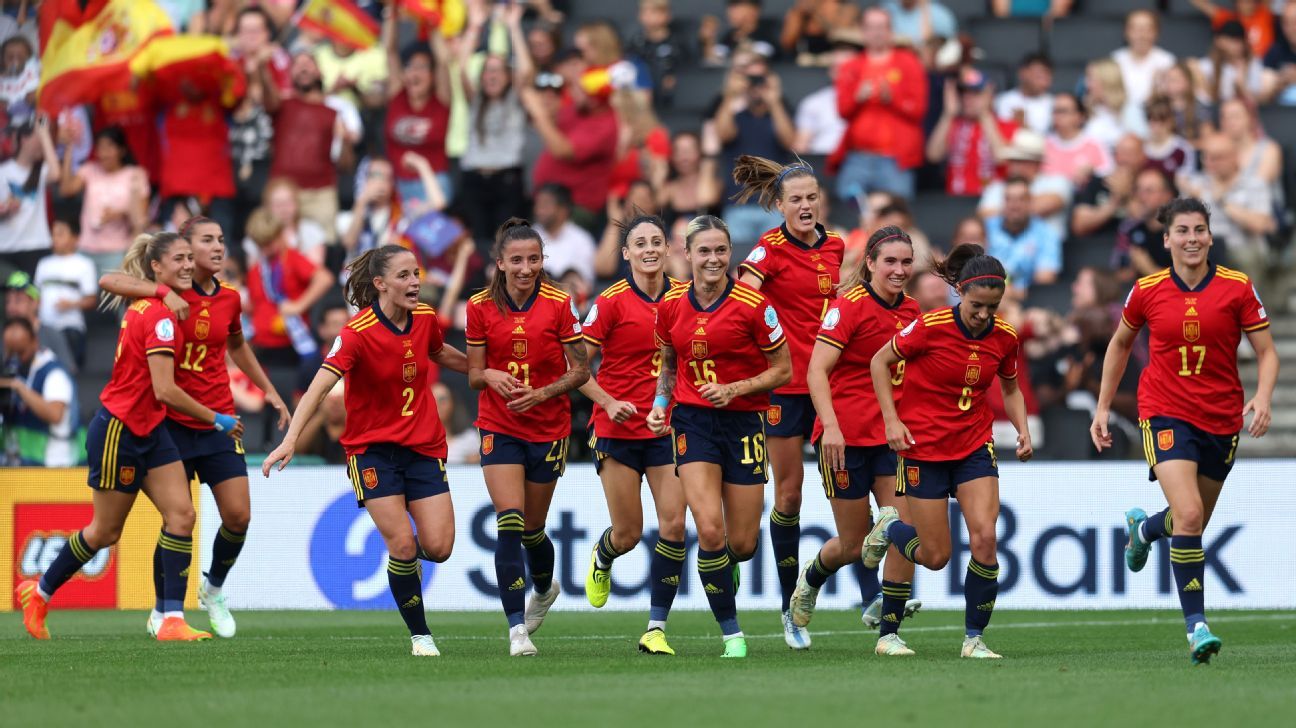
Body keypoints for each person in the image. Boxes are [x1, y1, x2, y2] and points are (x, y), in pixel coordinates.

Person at [15, 232, 243, 643]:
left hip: (151, 428)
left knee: (182, 515)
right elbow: (166, 391)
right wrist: (218, 420)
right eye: (180, 259)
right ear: (157, 267)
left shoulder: (157, 305)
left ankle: (170, 618)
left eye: (191, 258)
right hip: (120, 430)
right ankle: (40, 591)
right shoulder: (156, 313)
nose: (189, 265)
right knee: (105, 532)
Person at [1091, 197, 1277, 665]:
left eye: (1199, 230)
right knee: (1190, 514)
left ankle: (1144, 529)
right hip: (1166, 412)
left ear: (1210, 237)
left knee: (1188, 521)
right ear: (1167, 239)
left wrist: (1264, 395)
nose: (1192, 238)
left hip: (1222, 417)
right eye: (1183, 231)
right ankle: (1197, 627)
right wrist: (1103, 407)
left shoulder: (1236, 288)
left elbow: (1268, 352)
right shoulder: (1147, 289)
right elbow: (1118, 346)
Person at [263, 245, 468, 657]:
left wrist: (484, 369)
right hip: (373, 453)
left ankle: (405, 569)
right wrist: (289, 438)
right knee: (404, 546)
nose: (415, 282)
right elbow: (320, 386)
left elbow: (439, 352)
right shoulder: (357, 333)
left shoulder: (425, 317)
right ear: (380, 284)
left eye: (416, 273)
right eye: (405, 276)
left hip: (424, 447)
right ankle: (420, 634)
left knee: (440, 548)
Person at [98, 216, 289, 640]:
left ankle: (213, 589)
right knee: (177, 518)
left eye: (221, 239)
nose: (218, 247)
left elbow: (237, 345)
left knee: (238, 515)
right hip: (171, 423)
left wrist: (269, 391)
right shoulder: (165, 297)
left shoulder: (230, 299)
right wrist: (163, 289)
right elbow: (109, 279)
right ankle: (163, 611)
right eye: (207, 241)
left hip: (218, 421)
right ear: (184, 250)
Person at [862, 243, 1034, 660]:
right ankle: (889, 530)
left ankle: (973, 638)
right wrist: (891, 420)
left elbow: (1009, 387)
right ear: (960, 294)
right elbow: (878, 363)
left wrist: (1022, 429)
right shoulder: (930, 327)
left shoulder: (1004, 336)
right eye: (977, 305)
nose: (983, 314)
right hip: (924, 450)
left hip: (974, 445)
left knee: (986, 539)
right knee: (936, 556)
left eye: (992, 306)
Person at [646, 215, 792, 658]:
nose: (713, 259)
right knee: (708, 528)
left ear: (731, 254)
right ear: (687, 255)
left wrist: (735, 388)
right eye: (704, 251)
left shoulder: (754, 305)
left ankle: (726, 568)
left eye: (721, 250)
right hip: (693, 422)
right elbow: (668, 364)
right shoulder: (671, 306)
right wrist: (659, 404)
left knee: (741, 545)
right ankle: (732, 634)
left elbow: (783, 369)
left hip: (744, 423)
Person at [790, 226, 923, 656]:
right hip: (843, 439)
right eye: (890, 261)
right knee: (852, 545)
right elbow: (816, 370)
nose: (899, 270)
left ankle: (889, 633)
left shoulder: (915, 312)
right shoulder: (848, 306)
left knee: (904, 529)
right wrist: (829, 425)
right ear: (870, 263)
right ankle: (809, 580)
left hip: (892, 438)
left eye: (906, 262)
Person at [728, 155, 841, 648]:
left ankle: (874, 596)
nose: (805, 206)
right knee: (790, 495)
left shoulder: (836, 247)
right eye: (795, 199)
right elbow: (743, 300)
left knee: (845, 489)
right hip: (784, 388)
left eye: (811, 197)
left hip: (832, 387)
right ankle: (788, 606)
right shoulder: (766, 252)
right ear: (779, 205)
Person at [465, 219, 590, 657]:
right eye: (516, 260)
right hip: (499, 426)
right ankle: (516, 629)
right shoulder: (479, 306)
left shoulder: (559, 303)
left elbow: (581, 370)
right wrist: (492, 375)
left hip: (548, 427)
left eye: (533, 259)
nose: (524, 268)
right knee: (511, 522)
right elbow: (475, 375)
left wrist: (542, 393)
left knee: (534, 529)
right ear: (500, 263)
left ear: (543, 261)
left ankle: (543, 588)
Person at [578, 213, 687, 655]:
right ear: (626, 253)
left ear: (667, 249)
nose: (648, 249)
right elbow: (575, 368)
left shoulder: (687, 297)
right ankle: (604, 556)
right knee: (627, 534)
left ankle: (655, 627)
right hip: (617, 429)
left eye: (656, 241)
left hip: (668, 428)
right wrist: (607, 402)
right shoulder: (610, 302)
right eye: (639, 243)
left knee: (675, 525)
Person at [458, 2, 533, 248]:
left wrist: (513, 27)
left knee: (507, 244)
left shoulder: (515, 98)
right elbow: (462, 68)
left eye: (498, 71)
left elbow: (527, 70)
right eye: (487, 71)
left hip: (507, 181)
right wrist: (475, 26)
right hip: (474, 181)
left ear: (508, 75)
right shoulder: (476, 100)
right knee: (478, 244)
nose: (492, 75)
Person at [834, 7, 928, 201]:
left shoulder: (909, 63)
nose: (876, 32)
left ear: (890, 31)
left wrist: (892, 98)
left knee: (896, 216)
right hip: (858, 156)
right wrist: (857, 98)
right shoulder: (850, 66)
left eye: (881, 27)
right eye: (870, 27)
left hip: (895, 158)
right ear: (862, 31)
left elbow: (919, 110)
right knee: (848, 206)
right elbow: (842, 111)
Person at [709, 47, 796, 244]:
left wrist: (774, 100)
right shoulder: (736, 118)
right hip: (739, 207)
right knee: (738, 266)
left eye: (761, 78)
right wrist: (730, 94)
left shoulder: (779, 115)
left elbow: (790, 141)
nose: (756, 85)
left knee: (777, 266)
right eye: (752, 79)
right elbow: (722, 134)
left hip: (774, 207)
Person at [381, 8, 453, 204]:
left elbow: (443, 62)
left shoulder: (440, 101)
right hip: (396, 186)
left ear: (432, 77)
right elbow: (390, 51)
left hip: (433, 184)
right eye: (410, 67)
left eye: (422, 67)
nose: (415, 73)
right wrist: (392, 14)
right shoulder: (398, 95)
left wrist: (433, 25)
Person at [57, 126, 149, 276]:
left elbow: (142, 219)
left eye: (109, 147)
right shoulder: (89, 170)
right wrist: (69, 149)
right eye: (99, 148)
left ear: (122, 150)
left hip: (117, 251)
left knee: (112, 298)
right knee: (84, 298)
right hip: (85, 248)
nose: (103, 153)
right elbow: (66, 190)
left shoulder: (135, 174)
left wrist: (121, 214)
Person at [926, 68, 1014, 197]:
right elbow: (933, 155)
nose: (968, 98)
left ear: (990, 95)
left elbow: (1002, 158)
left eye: (976, 93)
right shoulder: (953, 124)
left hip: (990, 202)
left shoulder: (1007, 125)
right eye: (963, 93)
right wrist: (948, 114)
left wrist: (985, 114)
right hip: (955, 199)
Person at [0, 317, 76, 466]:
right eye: (10, 351)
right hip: (21, 461)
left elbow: (55, 414)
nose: (15, 357)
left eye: (20, 351)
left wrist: (19, 387)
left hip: (53, 463)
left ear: (35, 342)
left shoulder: (54, 373)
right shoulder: (14, 371)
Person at [33, 218, 97, 370]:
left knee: (67, 368)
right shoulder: (43, 263)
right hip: (43, 327)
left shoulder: (84, 264)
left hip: (71, 327)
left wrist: (71, 304)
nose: (54, 238)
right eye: (53, 234)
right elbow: (35, 296)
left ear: (75, 238)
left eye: (60, 234)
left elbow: (91, 300)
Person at [985, 177, 1062, 297]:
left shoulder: (1047, 233)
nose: (1014, 205)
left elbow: (1045, 278)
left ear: (1031, 202)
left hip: (1029, 301)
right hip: (986, 297)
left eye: (1021, 199)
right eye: (1009, 199)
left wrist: (1010, 293)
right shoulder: (985, 228)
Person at [0, 120, 58, 278]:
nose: (41, 143)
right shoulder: (3, 172)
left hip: (36, 246)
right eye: (38, 138)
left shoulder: (41, 171)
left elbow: (56, 174)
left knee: (34, 297)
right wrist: (5, 209)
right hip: (6, 248)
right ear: (24, 139)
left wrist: (44, 134)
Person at [533, 183, 597, 290]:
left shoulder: (582, 239)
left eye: (545, 205)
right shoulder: (528, 236)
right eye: (538, 204)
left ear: (564, 209)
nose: (539, 210)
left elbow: (585, 284)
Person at [1042, 93, 1113, 189]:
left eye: (1063, 111)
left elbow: (1109, 175)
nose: (1057, 116)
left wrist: (1093, 173)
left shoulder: (1094, 145)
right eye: (1055, 111)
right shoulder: (1043, 144)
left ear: (1079, 116)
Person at [1112, 10, 1176, 109]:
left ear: (1156, 32)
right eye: (1135, 29)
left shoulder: (1167, 61)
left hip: (1155, 118)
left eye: (1147, 29)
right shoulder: (1116, 59)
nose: (1141, 35)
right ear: (1126, 32)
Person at [994, 52, 1054, 135]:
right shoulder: (1002, 100)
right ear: (1022, 73)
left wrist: (1021, 124)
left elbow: (1047, 141)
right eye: (1039, 73)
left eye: (1048, 74)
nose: (1044, 78)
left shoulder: (1054, 104)